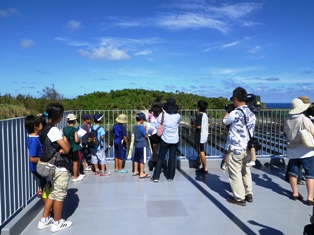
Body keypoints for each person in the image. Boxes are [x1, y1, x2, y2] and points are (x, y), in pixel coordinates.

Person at [37, 103, 72, 232]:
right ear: (59, 116)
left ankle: (44, 220)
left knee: (53, 192)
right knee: (59, 196)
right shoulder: (54, 130)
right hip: (59, 167)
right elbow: (67, 148)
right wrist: (63, 139)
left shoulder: (45, 128)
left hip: (49, 165)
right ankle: (57, 223)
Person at [223, 87, 256, 206]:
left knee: (235, 173)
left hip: (236, 148)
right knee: (245, 170)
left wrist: (228, 110)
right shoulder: (252, 112)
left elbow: (225, 121)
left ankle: (239, 198)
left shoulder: (235, 113)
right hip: (247, 147)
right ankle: (249, 193)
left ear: (236, 98)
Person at [284, 98, 314, 205]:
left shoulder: (287, 119)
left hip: (292, 150)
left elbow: (286, 132)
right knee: (310, 174)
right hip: (306, 150)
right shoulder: (304, 119)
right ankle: (310, 197)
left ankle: (295, 193)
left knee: (293, 172)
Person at [151, 98, 181, 183]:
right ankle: (170, 177)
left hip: (165, 139)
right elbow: (178, 123)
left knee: (160, 158)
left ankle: (156, 177)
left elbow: (157, 126)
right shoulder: (178, 116)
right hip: (174, 140)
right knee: (172, 158)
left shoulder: (162, 115)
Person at [25, 115, 49, 200]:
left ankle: (43, 194)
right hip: (38, 167)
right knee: (46, 186)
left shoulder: (34, 136)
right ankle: (48, 206)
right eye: (40, 123)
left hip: (40, 166)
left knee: (46, 184)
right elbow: (31, 158)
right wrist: (44, 160)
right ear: (35, 127)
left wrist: (42, 116)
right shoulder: (34, 141)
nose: (42, 124)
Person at [63, 114, 85, 182]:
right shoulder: (74, 129)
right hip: (76, 147)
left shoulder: (65, 129)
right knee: (76, 162)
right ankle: (75, 176)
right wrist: (79, 139)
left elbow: (65, 139)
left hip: (69, 147)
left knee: (72, 161)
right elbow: (76, 140)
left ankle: (76, 174)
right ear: (74, 121)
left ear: (67, 121)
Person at [191, 100, 209, 173]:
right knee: (200, 149)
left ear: (198, 107)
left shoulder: (198, 115)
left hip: (199, 136)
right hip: (204, 135)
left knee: (201, 151)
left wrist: (193, 125)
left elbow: (198, 126)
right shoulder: (205, 115)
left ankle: (205, 167)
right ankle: (200, 162)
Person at [132, 112, 150, 178]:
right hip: (142, 145)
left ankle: (135, 171)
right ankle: (142, 173)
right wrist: (147, 130)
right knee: (142, 159)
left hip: (137, 145)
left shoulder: (135, 127)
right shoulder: (141, 127)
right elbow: (146, 136)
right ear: (142, 119)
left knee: (136, 158)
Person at [147, 99, 163, 171]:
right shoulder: (162, 114)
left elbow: (149, 122)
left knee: (154, 149)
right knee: (161, 149)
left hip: (152, 133)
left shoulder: (150, 114)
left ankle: (153, 163)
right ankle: (160, 164)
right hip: (161, 132)